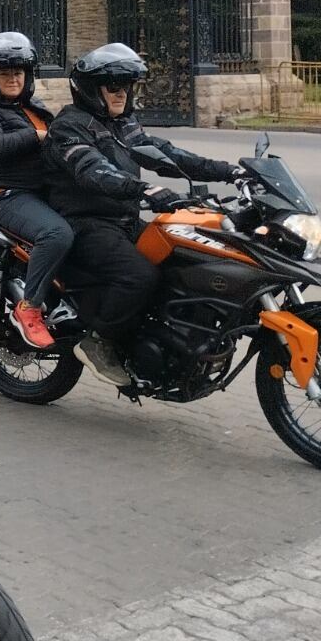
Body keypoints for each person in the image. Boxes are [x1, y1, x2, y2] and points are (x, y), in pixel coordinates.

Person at [44, 43, 241, 386]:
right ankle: (99, 342)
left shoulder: (123, 123)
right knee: (139, 276)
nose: (122, 94)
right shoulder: (68, 128)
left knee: (183, 260)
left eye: (127, 86)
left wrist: (231, 172)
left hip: (123, 220)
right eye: (114, 87)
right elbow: (93, 171)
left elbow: (166, 154)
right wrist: (145, 190)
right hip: (86, 224)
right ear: (91, 90)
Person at [0, 32, 71, 350]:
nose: (12, 78)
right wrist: (37, 136)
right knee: (57, 234)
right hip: (10, 196)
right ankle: (30, 307)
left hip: (47, 192)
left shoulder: (33, 107)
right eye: (4, 73)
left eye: (18, 72)